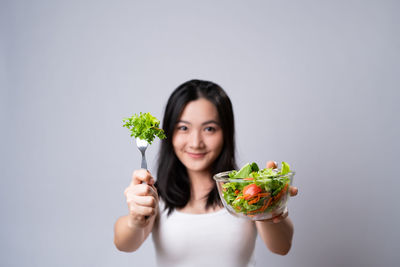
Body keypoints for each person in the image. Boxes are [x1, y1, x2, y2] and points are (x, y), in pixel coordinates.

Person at [114, 79, 298, 267]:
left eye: (209, 129)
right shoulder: (154, 196)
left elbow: (282, 247)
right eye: (183, 128)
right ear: (169, 132)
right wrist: (135, 221)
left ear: (226, 133)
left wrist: (270, 201)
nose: (196, 142)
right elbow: (124, 243)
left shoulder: (243, 192)